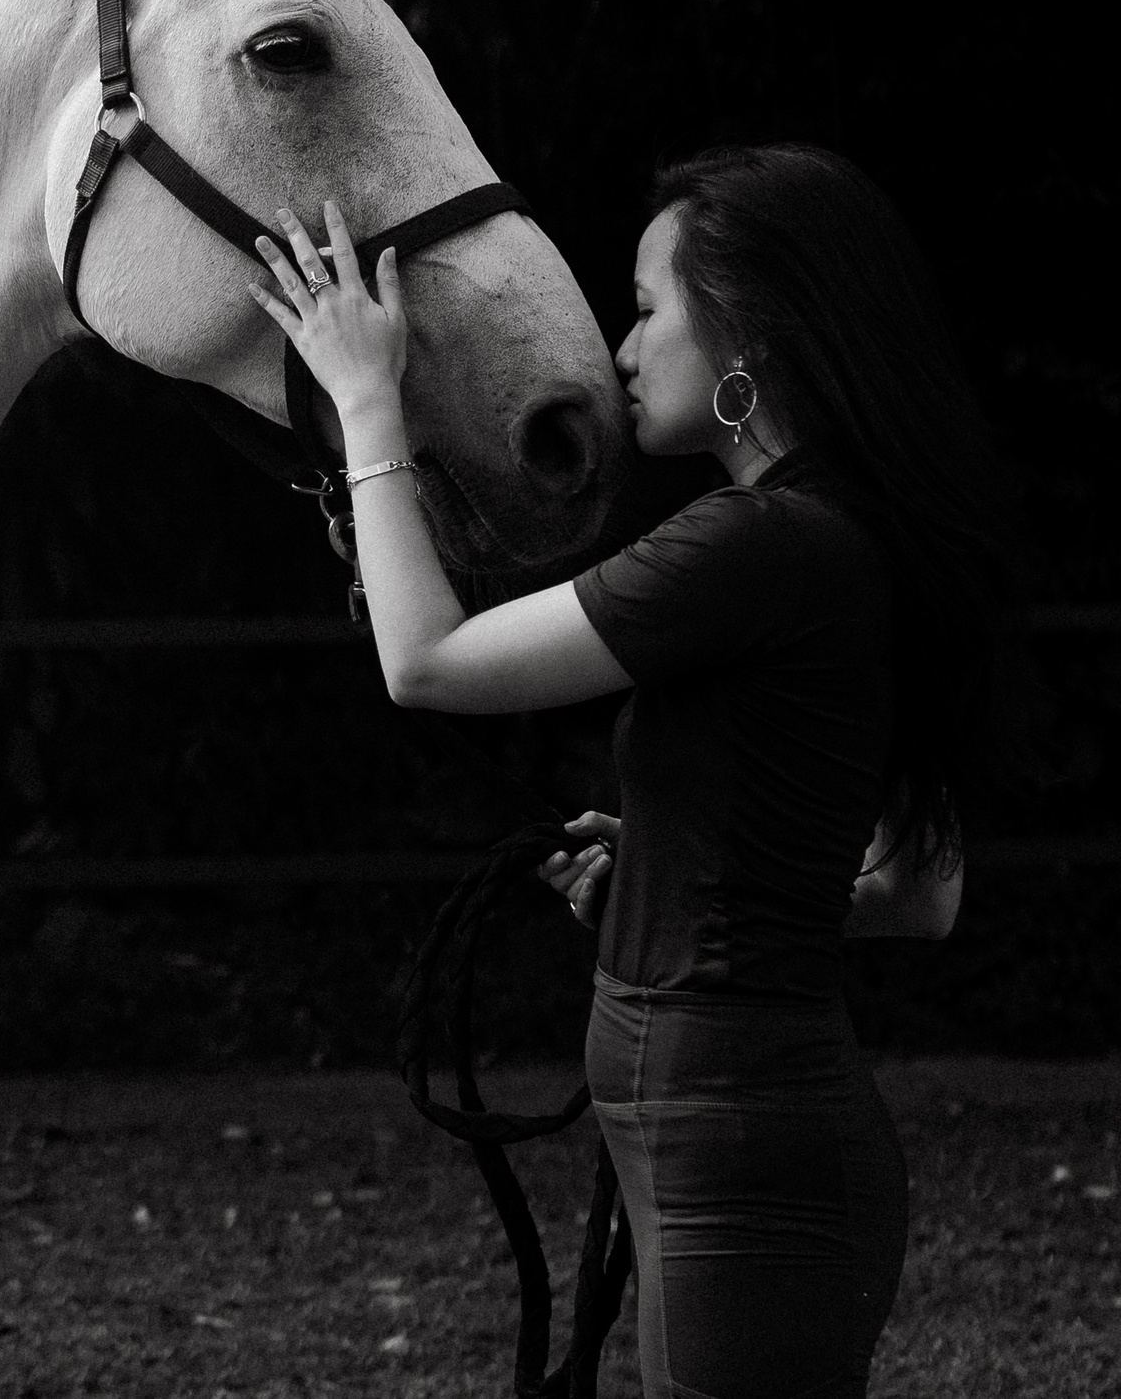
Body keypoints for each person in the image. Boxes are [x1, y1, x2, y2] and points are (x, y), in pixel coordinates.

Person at [246, 144, 1027, 1399]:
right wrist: (685, 886)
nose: (619, 345)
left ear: (747, 338)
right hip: (744, 1135)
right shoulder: (838, 535)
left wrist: (367, 404)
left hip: (738, 1151)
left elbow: (430, 662)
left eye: (650, 306)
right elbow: (913, 899)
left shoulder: (758, 544)